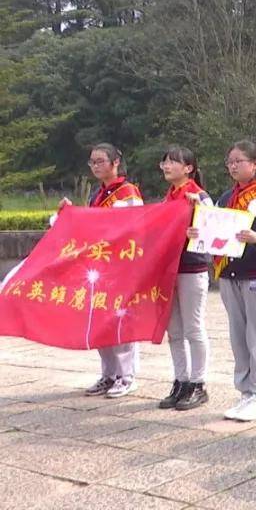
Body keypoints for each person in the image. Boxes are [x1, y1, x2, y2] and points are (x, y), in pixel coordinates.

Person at [192, 140, 256, 422]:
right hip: (230, 275)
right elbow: (216, 236)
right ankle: (245, 391)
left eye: (239, 161)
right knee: (238, 336)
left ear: (255, 164)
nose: (234, 166)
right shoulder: (224, 198)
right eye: (230, 162)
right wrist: (201, 236)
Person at [61, 143, 144, 399]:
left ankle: (126, 375)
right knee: (99, 321)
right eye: (92, 162)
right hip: (98, 268)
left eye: (100, 161)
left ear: (115, 162)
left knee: (120, 320)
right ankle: (108, 374)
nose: (96, 166)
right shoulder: (97, 194)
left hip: (121, 266)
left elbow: (135, 227)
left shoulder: (128, 192)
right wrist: (70, 213)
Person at [157, 146, 213, 411]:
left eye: (173, 162)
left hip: (192, 268)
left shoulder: (199, 197)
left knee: (193, 327)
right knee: (174, 330)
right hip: (169, 269)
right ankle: (181, 380)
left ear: (188, 168)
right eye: (165, 162)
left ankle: (198, 383)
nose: (167, 166)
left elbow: (215, 231)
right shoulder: (168, 199)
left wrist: (198, 229)